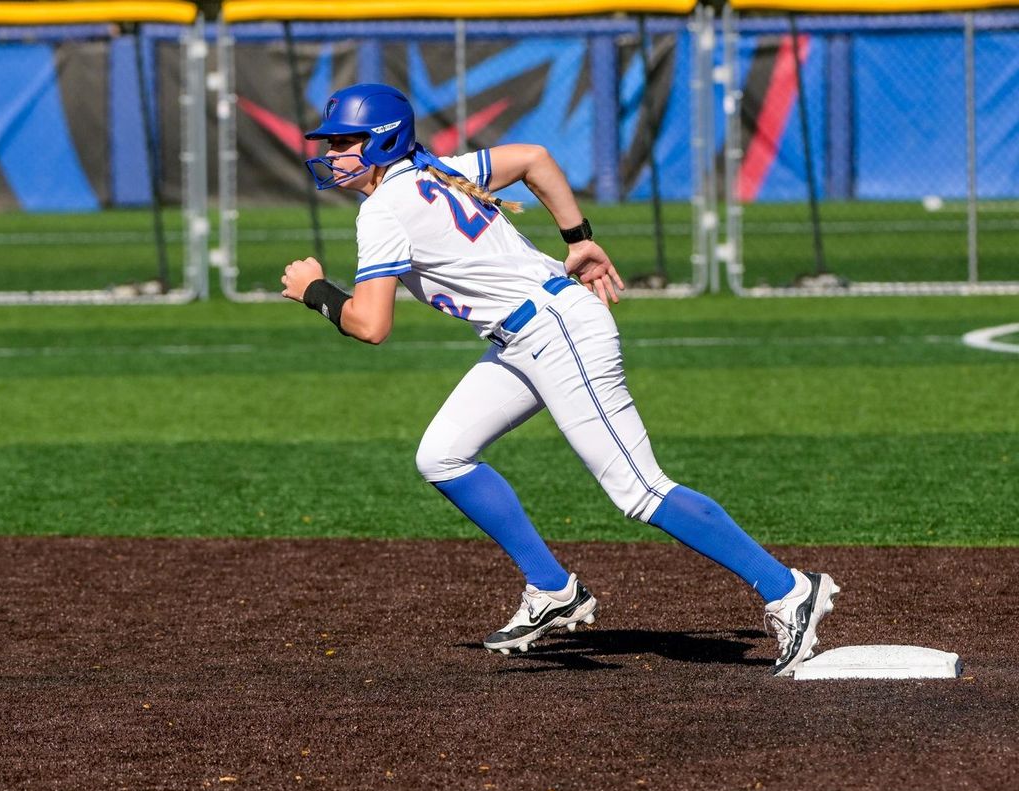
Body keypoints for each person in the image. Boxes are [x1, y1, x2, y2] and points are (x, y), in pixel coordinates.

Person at [280, 83, 839, 676]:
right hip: (528, 334)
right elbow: (534, 159)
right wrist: (578, 238)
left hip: (556, 332)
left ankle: (788, 589)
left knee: (639, 490)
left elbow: (370, 325)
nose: (331, 152)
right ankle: (553, 591)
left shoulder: (385, 206)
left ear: (383, 140)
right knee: (442, 456)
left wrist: (314, 290)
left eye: (344, 141)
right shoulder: (436, 170)